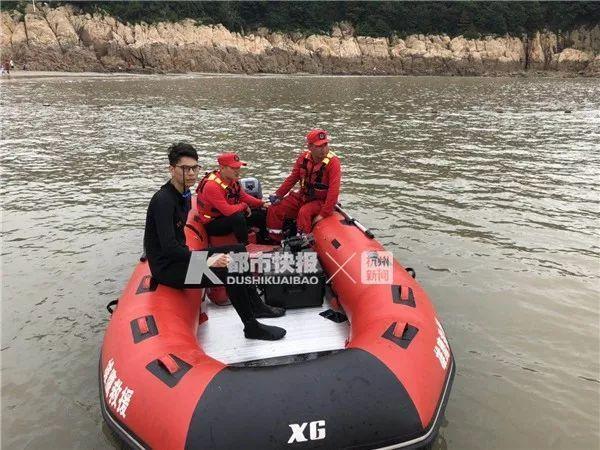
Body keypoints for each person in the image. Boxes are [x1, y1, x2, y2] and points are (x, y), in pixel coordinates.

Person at [144, 143, 285, 340]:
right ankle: (251, 326)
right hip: (169, 270)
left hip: (181, 259)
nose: (191, 173)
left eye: (195, 168)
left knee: (238, 251)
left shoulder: (183, 195)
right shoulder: (163, 200)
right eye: (185, 168)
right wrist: (209, 260)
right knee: (231, 268)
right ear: (172, 169)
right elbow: (169, 249)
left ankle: (257, 307)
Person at [266, 129, 341, 241]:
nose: (324, 149)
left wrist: (323, 214)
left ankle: (302, 242)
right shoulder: (303, 158)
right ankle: (275, 241)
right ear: (310, 147)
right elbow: (292, 178)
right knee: (275, 208)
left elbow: (333, 191)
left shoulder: (333, 162)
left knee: (304, 212)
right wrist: (278, 195)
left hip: (321, 201)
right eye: (319, 146)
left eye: (325, 145)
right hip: (303, 196)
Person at [196, 152, 269, 244]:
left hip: (226, 217)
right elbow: (228, 211)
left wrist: (262, 203)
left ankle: (266, 239)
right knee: (237, 217)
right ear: (222, 168)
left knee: (261, 213)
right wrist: (244, 206)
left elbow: (243, 196)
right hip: (213, 222)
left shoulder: (232, 180)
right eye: (233, 168)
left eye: (238, 167)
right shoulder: (212, 186)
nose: (237, 171)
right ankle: (245, 245)